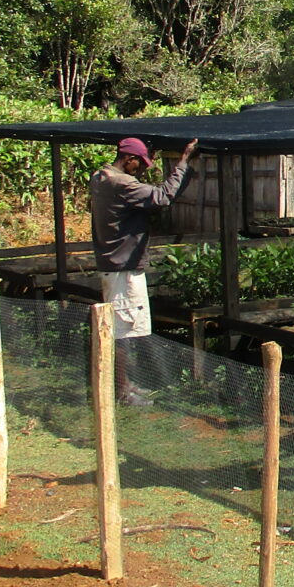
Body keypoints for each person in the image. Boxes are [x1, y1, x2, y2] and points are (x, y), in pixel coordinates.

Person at [88, 135, 198, 401]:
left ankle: (125, 384)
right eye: (140, 163)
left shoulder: (100, 177)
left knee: (122, 328)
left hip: (114, 263)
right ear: (129, 159)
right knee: (123, 330)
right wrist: (184, 161)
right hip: (122, 268)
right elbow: (162, 197)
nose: (142, 170)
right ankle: (122, 391)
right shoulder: (121, 183)